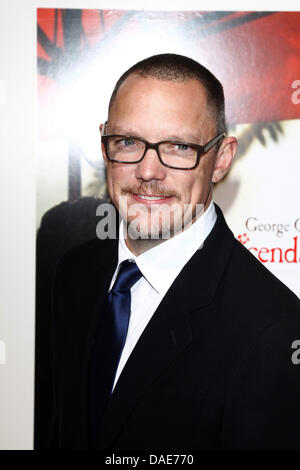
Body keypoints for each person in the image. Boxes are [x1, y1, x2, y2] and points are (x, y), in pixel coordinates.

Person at [48, 53, 300, 450]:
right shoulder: (74, 272)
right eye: (128, 142)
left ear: (221, 159)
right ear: (104, 145)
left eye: (179, 147)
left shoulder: (273, 330)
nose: (148, 172)